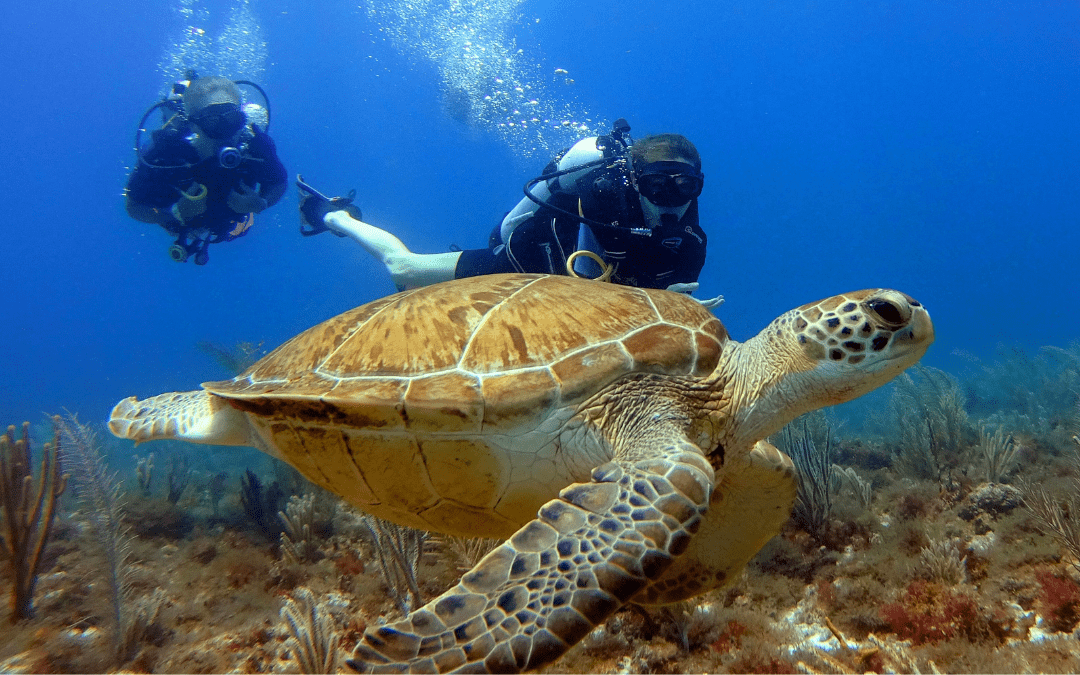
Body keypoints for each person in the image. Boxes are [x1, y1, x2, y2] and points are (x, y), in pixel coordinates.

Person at [297, 119, 721, 305]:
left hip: (575, 295)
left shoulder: (689, 239)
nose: (672, 199)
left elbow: (669, 294)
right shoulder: (601, 198)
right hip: (521, 263)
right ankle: (333, 217)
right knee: (404, 269)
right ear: (635, 180)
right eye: (658, 185)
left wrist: (679, 309)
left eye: (686, 186)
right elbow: (590, 296)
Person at [125, 74, 287, 265]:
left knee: (237, 230)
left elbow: (279, 182)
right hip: (182, 223)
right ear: (193, 125)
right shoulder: (166, 153)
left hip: (229, 222)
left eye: (233, 119)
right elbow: (134, 206)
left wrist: (263, 203)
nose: (225, 132)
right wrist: (175, 216)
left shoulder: (256, 146)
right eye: (212, 123)